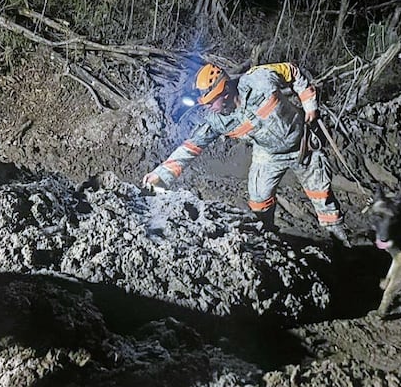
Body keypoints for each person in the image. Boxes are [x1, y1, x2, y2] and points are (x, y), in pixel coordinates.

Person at [143, 62, 351, 248]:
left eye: (209, 102)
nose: (208, 108)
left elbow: (292, 72)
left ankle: (341, 245)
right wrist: (162, 174)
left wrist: (309, 103)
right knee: (259, 200)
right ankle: (269, 238)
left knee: (322, 198)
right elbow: (192, 146)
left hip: (302, 143)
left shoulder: (259, 79)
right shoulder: (217, 120)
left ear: (224, 92)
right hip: (268, 154)